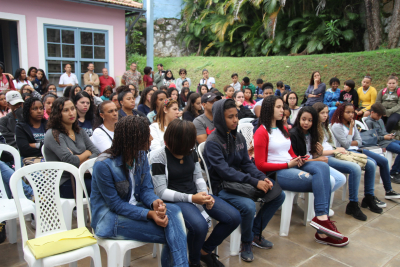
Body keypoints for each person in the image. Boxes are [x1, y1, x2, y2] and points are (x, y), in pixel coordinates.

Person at [90, 116, 188, 267]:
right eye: (146, 135)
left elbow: (146, 189)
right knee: (174, 232)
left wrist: (154, 202)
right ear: (133, 139)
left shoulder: (140, 156)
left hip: (135, 208)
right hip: (109, 218)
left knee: (174, 211)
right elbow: (116, 205)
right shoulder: (103, 165)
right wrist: (149, 214)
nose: (151, 138)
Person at [253, 96, 348, 247]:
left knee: (322, 167)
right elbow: (260, 165)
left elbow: (290, 152)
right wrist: (287, 164)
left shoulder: (283, 129)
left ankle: (321, 218)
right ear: (268, 109)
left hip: (292, 164)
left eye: (281, 107)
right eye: (278, 107)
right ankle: (322, 227)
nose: (282, 110)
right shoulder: (261, 132)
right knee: (319, 181)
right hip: (277, 172)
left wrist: (299, 159)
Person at [204, 98, 286, 261]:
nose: (235, 120)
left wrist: (262, 177)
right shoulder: (212, 142)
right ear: (220, 118)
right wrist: (255, 182)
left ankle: (254, 233)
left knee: (278, 195)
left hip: (240, 182)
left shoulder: (238, 137)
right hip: (222, 187)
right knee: (248, 207)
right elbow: (225, 172)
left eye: (236, 116)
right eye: (230, 117)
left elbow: (246, 164)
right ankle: (246, 242)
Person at [150, 119, 241, 267]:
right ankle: (194, 261)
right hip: (174, 200)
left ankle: (204, 251)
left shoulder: (190, 152)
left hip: (195, 195)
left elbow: (198, 177)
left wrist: (204, 194)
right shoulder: (159, 157)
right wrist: (192, 198)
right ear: (170, 141)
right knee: (200, 226)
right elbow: (161, 191)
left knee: (234, 217)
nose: (185, 153)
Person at [331, 103, 396, 212]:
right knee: (371, 164)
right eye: (348, 112)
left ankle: (371, 196)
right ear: (341, 112)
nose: (351, 115)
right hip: (346, 152)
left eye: (352, 112)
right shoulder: (337, 126)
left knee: (381, 161)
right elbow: (346, 145)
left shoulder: (352, 123)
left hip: (357, 149)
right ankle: (356, 202)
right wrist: (351, 130)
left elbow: (360, 141)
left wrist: (352, 138)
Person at [313, 102, 372, 220]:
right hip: (327, 157)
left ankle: (368, 197)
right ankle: (353, 204)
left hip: (335, 153)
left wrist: (337, 150)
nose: (325, 115)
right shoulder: (315, 128)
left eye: (326, 112)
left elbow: (356, 142)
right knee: (355, 168)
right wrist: (335, 151)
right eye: (322, 113)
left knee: (370, 163)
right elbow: (316, 153)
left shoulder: (325, 127)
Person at [288, 106, 346, 212]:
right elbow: (297, 161)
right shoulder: (294, 134)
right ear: (299, 119)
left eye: (310, 120)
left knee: (341, 179)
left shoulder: (313, 133)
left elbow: (313, 153)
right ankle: (321, 209)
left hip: (313, 162)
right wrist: (317, 160)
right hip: (303, 164)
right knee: (330, 180)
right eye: (303, 119)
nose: (306, 123)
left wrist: (318, 154)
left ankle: (318, 202)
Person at [44, 97, 100, 198]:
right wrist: (86, 153)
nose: (71, 113)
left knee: (111, 182)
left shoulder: (79, 131)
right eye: (66, 110)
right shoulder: (54, 134)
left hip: (83, 176)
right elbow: (70, 160)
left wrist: (80, 160)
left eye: (72, 109)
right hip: (64, 182)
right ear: (57, 114)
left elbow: (96, 152)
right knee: (103, 188)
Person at [365, 102, 400, 182]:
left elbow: (384, 132)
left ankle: (398, 171)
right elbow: (371, 138)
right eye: (378, 115)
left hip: (388, 140)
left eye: (381, 116)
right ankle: (393, 173)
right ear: (372, 112)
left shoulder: (380, 120)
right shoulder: (368, 122)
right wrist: (384, 137)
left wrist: (389, 135)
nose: (380, 117)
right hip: (381, 143)